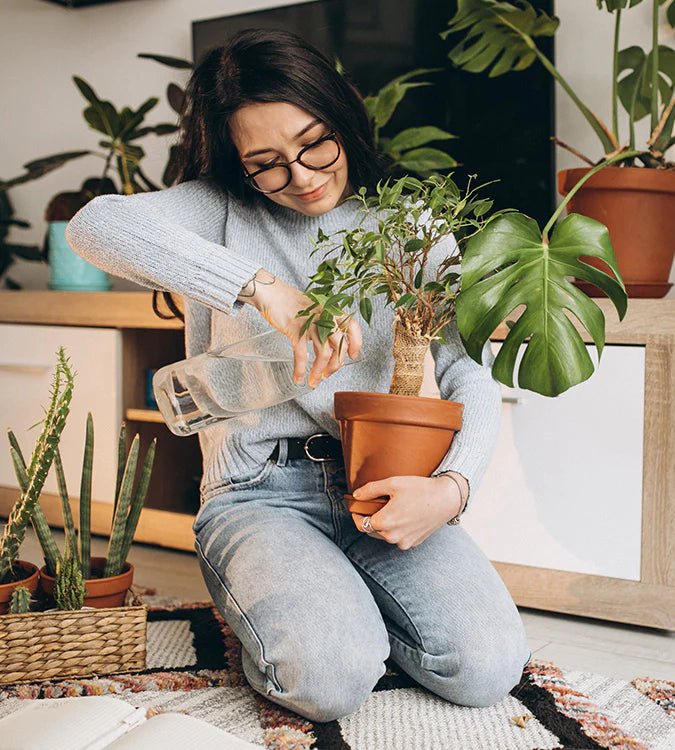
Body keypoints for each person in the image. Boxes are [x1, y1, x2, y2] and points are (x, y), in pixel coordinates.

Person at [66, 28, 531, 722]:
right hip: (260, 491)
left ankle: (336, 596)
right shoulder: (217, 208)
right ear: (238, 162)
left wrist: (450, 489)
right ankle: (302, 603)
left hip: (386, 483)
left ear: (341, 116)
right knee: (329, 681)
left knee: (485, 668)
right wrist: (262, 290)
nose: (303, 175)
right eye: (268, 163)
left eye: (314, 142)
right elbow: (93, 225)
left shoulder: (409, 223)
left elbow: (463, 367)